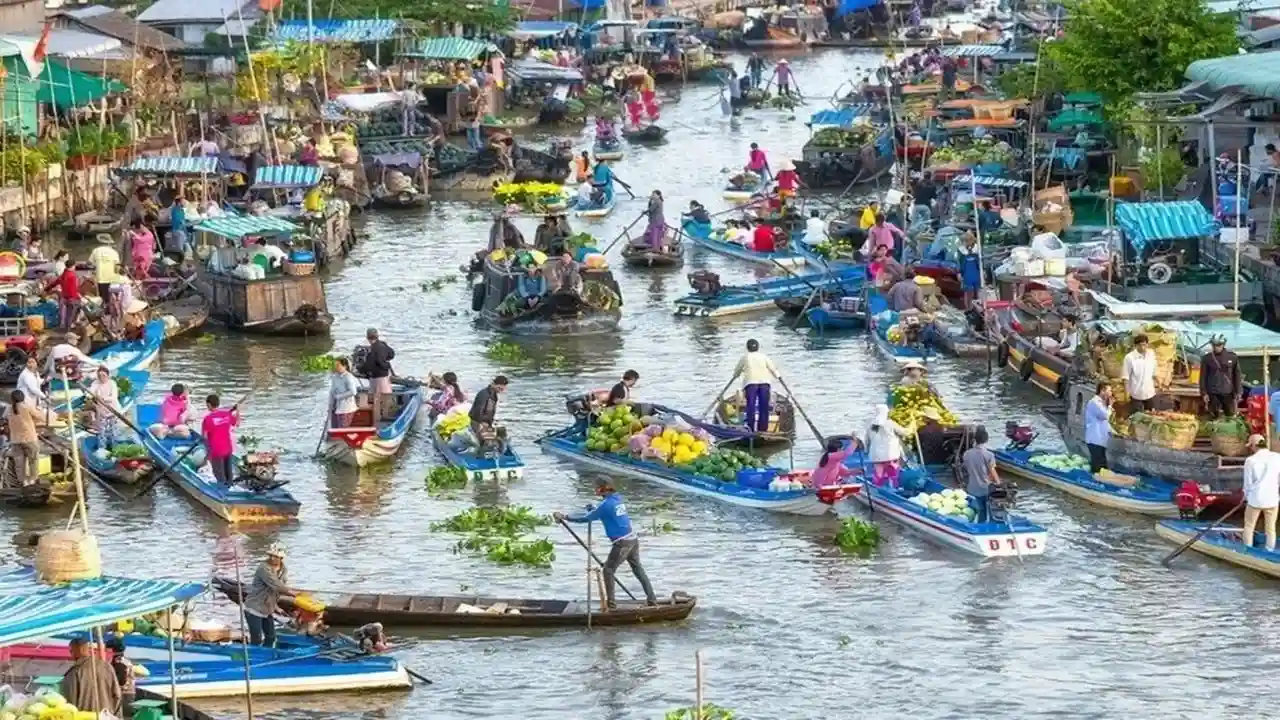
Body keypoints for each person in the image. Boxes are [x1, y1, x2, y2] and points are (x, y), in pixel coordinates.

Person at [554, 479, 658, 609]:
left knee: (608, 571)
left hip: (622, 543)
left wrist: (565, 517)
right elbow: (601, 512)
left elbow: (587, 518)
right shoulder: (617, 499)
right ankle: (652, 600)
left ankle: (611, 606)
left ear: (604, 489)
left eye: (597, 487)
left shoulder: (606, 505)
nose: (595, 490)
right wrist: (593, 510)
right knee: (637, 569)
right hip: (633, 540)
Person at [244, 544, 298, 647]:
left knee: (271, 637)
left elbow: (275, 591)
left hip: (267, 608)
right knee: (256, 638)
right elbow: (276, 585)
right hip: (254, 607)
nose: (273, 558)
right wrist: (292, 593)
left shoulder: (283, 570)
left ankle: (266, 654)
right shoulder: (263, 568)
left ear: (281, 558)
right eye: (271, 555)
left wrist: (276, 607)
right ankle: (254, 657)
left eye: (276, 557)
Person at [60, 637, 122, 716]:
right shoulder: (107, 666)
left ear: (80, 650)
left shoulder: (75, 672)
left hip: (85, 716)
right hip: (106, 715)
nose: (70, 654)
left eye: (71, 651)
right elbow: (117, 695)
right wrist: (110, 713)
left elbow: (70, 703)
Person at [1242, 434, 1280, 552]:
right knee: (1271, 528)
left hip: (1255, 499)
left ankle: (1247, 550)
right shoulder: (1277, 457)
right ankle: (1269, 550)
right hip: (1272, 498)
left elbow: (1247, 484)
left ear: (1253, 446)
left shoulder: (1250, 460)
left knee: (1249, 526)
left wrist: (1245, 496)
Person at [732, 339, 780, 433]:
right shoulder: (763, 356)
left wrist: (735, 375)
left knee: (751, 406)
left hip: (751, 384)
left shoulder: (745, 357)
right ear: (758, 347)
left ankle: (751, 429)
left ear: (747, 348)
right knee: (764, 406)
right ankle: (763, 430)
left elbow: (737, 371)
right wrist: (778, 376)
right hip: (765, 383)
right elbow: (773, 369)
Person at [6, 390, 44, 486]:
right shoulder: (27, 407)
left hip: (15, 440)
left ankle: (23, 482)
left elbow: (5, 418)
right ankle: (32, 481)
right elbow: (41, 417)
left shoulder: (8, 408)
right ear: (23, 398)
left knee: (19, 463)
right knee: (33, 461)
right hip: (29, 439)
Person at [866, 404, 909, 488]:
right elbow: (905, 433)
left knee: (879, 475)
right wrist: (912, 426)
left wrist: (867, 451)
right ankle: (894, 489)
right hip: (891, 456)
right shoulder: (890, 423)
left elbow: (867, 441)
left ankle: (878, 489)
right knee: (893, 475)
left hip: (876, 456)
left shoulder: (870, 426)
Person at [962, 426, 999, 522]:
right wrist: (998, 483)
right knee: (987, 512)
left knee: (973, 511)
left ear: (975, 440)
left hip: (971, 488)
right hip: (985, 489)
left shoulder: (966, 454)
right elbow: (992, 472)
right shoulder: (989, 455)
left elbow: (965, 471)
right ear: (986, 440)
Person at [1199, 335, 1241, 419]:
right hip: (1213, 393)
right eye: (1214, 345)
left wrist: (1238, 392)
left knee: (1231, 416)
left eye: (1219, 345)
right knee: (1213, 417)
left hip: (1228, 393)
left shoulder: (1232, 357)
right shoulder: (1207, 358)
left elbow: (1237, 375)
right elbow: (1202, 377)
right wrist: (1204, 393)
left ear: (1223, 345)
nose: (1216, 347)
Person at [202, 393, 239, 486]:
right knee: (229, 474)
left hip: (216, 450)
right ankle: (230, 485)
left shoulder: (207, 419)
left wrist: (207, 455)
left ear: (209, 405)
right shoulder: (227, 414)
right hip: (228, 448)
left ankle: (222, 492)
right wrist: (237, 411)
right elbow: (236, 423)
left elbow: (204, 437)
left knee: (219, 476)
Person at [362, 328, 396, 425]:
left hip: (375, 376)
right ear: (377, 336)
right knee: (386, 396)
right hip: (384, 375)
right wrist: (386, 362)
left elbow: (369, 365)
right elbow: (392, 354)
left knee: (374, 396)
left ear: (368, 338)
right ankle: (385, 416)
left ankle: (375, 418)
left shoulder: (371, 349)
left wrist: (362, 370)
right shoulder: (383, 345)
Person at [43, 252, 81, 330]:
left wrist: (47, 289)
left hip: (64, 297)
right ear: (73, 266)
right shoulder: (73, 276)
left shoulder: (64, 274)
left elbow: (55, 282)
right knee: (73, 312)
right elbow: (73, 288)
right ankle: (69, 328)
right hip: (72, 297)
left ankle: (65, 326)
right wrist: (77, 297)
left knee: (67, 313)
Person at [1123, 334, 1158, 413]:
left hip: (1149, 393)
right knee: (1138, 418)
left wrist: (1159, 384)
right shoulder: (1129, 358)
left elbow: (1154, 371)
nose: (1142, 347)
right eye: (1139, 345)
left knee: (1151, 417)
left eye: (1144, 345)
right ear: (1135, 346)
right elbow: (1125, 377)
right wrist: (1126, 395)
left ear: (1147, 344)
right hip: (1136, 394)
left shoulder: (1151, 354)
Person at [87, 367, 121, 446]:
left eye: (104, 375)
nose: (101, 378)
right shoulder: (96, 383)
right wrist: (90, 395)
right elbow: (90, 393)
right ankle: (102, 447)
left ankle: (115, 446)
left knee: (114, 430)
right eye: (99, 376)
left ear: (108, 376)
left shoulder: (112, 383)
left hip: (113, 409)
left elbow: (113, 397)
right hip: (102, 410)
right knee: (101, 431)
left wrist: (102, 398)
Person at [469, 375, 508, 441]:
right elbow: (478, 411)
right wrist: (482, 422)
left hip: (487, 422)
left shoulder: (494, 394)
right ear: (494, 384)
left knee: (502, 431)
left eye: (502, 389)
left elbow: (491, 411)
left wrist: (491, 421)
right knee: (487, 440)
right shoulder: (484, 394)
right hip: (477, 422)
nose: (501, 390)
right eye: (499, 388)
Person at [1084, 382, 1113, 473]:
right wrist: (1110, 405)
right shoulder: (1094, 402)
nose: (1111, 393)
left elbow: (1106, 422)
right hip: (1095, 439)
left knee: (1103, 466)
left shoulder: (1102, 404)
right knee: (1098, 467)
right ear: (1102, 391)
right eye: (1109, 391)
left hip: (1101, 440)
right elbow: (1106, 416)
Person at [328, 358, 360, 429]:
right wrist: (330, 405)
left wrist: (339, 397)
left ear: (345, 366)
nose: (336, 367)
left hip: (347, 407)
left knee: (342, 428)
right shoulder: (335, 377)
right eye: (335, 365)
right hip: (337, 406)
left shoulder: (348, 377)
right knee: (336, 428)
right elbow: (332, 391)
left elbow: (353, 391)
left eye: (338, 365)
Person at [89, 233, 120, 303]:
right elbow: (117, 267)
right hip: (113, 278)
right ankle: (113, 311)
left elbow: (90, 263)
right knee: (114, 297)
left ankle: (105, 310)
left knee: (103, 298)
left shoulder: (96, 251)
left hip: (101, 278)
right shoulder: (114, 252)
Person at [958, 231, 981, 308]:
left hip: (976, 273)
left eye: (967, 241)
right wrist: (959, 273)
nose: (965, 243)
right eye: (964, 241)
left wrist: (982, 271)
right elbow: (959, 263)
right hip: (966, 274)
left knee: (977, 292)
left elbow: (980, 262)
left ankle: (976, 308)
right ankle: (968, 308)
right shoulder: (961, 251)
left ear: (972, 240)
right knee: (968, 292)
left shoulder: (977, 249)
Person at [167, 196, 189, 261]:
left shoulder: (181, 210)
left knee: (180, 248)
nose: (184, 202)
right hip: (178, 231)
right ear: (179, 202)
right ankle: (180, 263)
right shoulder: (175, 210)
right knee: (179, 249)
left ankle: (179, 261)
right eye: (183, 201)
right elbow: (180, 222)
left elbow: (183, 221)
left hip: (181, 231)